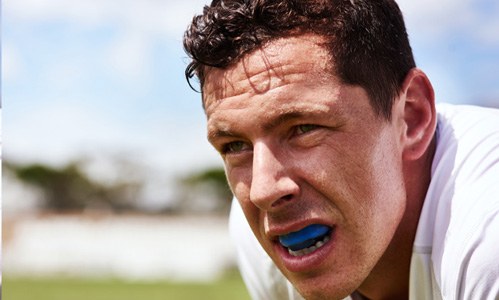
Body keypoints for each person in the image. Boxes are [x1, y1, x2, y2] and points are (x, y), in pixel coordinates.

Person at [183, 0, 499, 299]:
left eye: (304, 128)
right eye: (236, 145)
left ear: (411, 117)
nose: (263, 192)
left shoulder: (488, 231)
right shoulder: (262, 236)